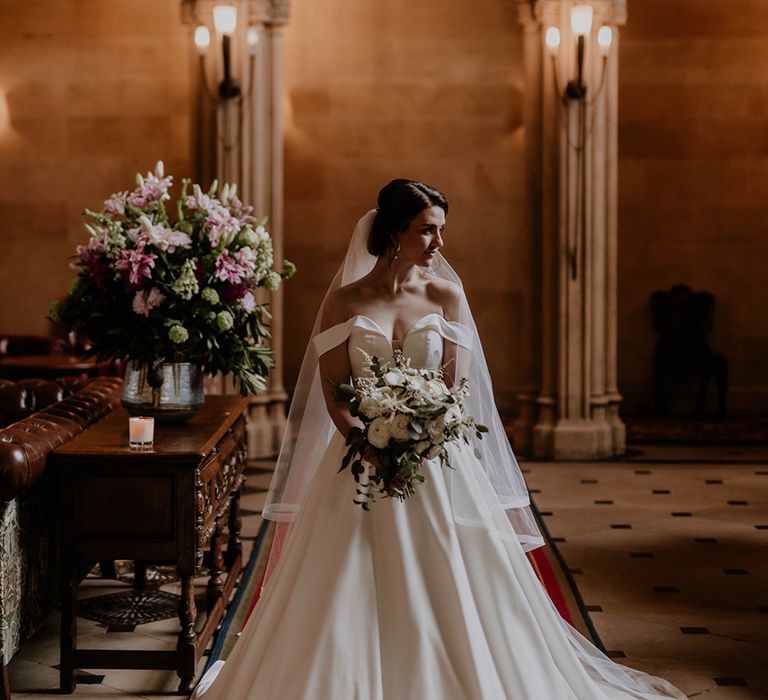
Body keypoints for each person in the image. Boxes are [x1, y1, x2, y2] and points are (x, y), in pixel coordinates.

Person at [194, 180, 686, 699]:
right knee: (344, 580)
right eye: (428, 230)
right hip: (361, 460)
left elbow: (457, 387)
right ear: (393, 233)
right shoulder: (345, 301)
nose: (438, 244)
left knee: (455, 576)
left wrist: (418, 432)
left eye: (441, 231)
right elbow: (336, 389)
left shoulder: (446, 295)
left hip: (435, 456)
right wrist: (366, 440)